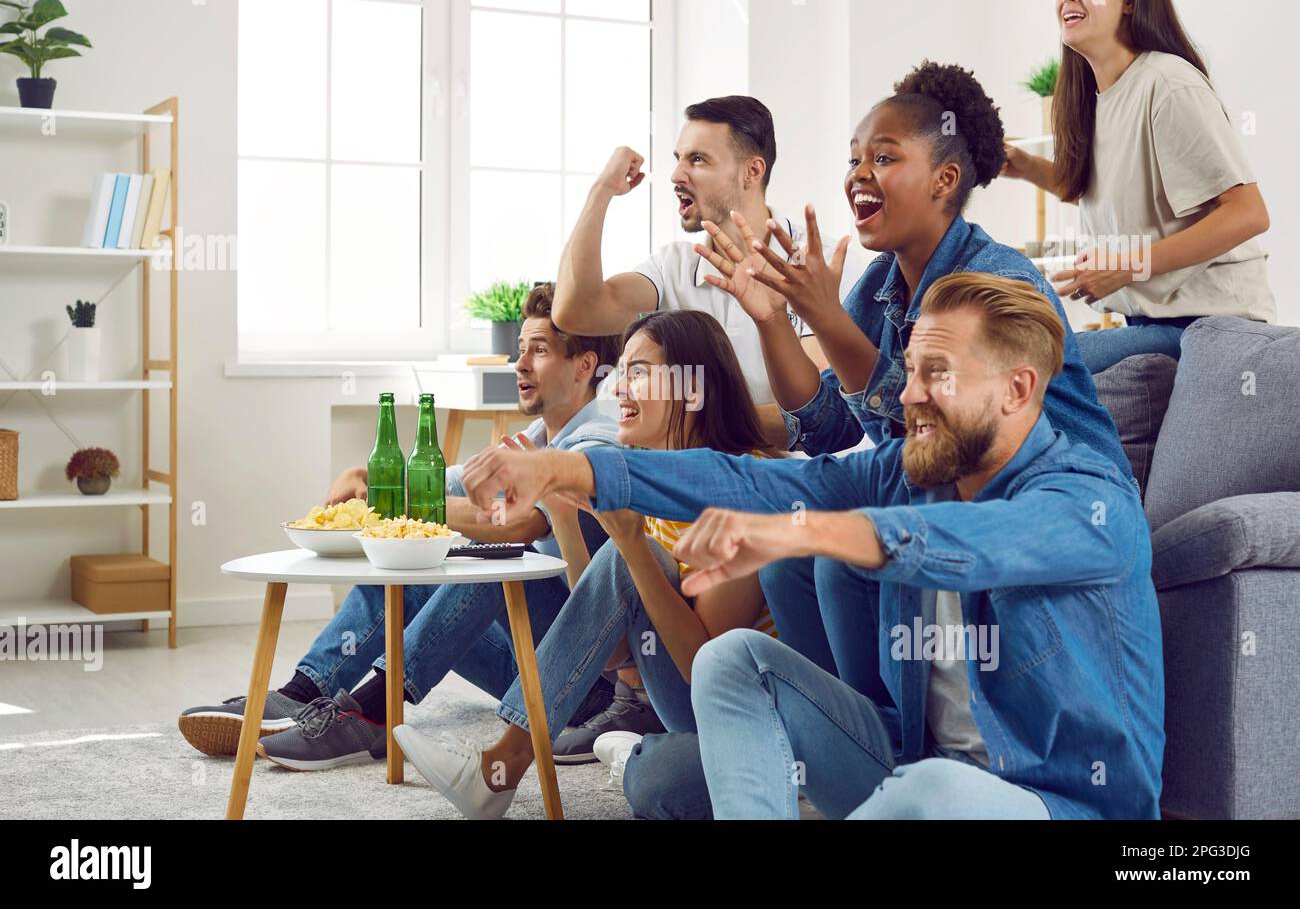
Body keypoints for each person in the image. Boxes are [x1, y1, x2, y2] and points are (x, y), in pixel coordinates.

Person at [457, 273, 1165, 819]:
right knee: (735, 661)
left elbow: (975, 543)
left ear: (1018, 390)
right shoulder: (909, 470)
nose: (908, 396)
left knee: (932, 792)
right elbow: (745, 479)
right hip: (908, 764)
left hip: (1055, 802)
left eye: (936, 374)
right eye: (911, 370)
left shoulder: (1088, 498)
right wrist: (571, 467)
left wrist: (798, 530)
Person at [697, 62, 1131, 729]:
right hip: (936, 490)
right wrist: (771, 318)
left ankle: (886, 742)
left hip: (1033, 503)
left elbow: (947, 412)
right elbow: (824, 427)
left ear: (945, 180)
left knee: (843, 565)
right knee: (787, 564)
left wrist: (825, 320)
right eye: (853, 159)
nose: (857, 174)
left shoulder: (996, 283)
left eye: (884, 157)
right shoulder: (879, 286)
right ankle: (845, 738)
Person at [177, 284, 623, 769]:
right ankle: (303, 694)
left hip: (585, 685)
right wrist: (370, 478)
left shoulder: (595, 445)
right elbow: (449, 483)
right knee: (413, 573)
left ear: (584, 366)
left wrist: (400, 503)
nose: (519, 364)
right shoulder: (533, 437)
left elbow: (512, 526)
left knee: (496, 558)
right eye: (520, 349)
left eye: (538, 351)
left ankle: (368, 715)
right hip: (527, 666)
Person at [391, 310, 782, 819]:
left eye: (638, 371)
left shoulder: (740, 491)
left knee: (655, 785)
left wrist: (632, 545)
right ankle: (550, 757)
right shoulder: (652, 476)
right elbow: (612, 647)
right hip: (677, 694)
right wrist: (564, 517)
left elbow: (706, 670)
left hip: (737, 701)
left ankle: (507, 765)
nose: (617, 388)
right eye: (622, 372)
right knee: (616, 560)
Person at [1002, 0, 1273, 373]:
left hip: (1212, 328)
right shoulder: (1094, 101)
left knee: (1031, 365)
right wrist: (1023, 166)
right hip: (1154, 325)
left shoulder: (1169, 85)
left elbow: (1248, 214)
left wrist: (1130, 265)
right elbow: (1104, 189)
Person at [553, 95, 827, 442]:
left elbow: (812, 416)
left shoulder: (816, 263)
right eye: (678, 158)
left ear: (752, 172)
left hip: (787, 477)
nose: (676, 175)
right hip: (691, 469)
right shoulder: (673, 266)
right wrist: (600, 192)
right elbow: (576, 312)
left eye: (697, 160)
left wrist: (681, 416)